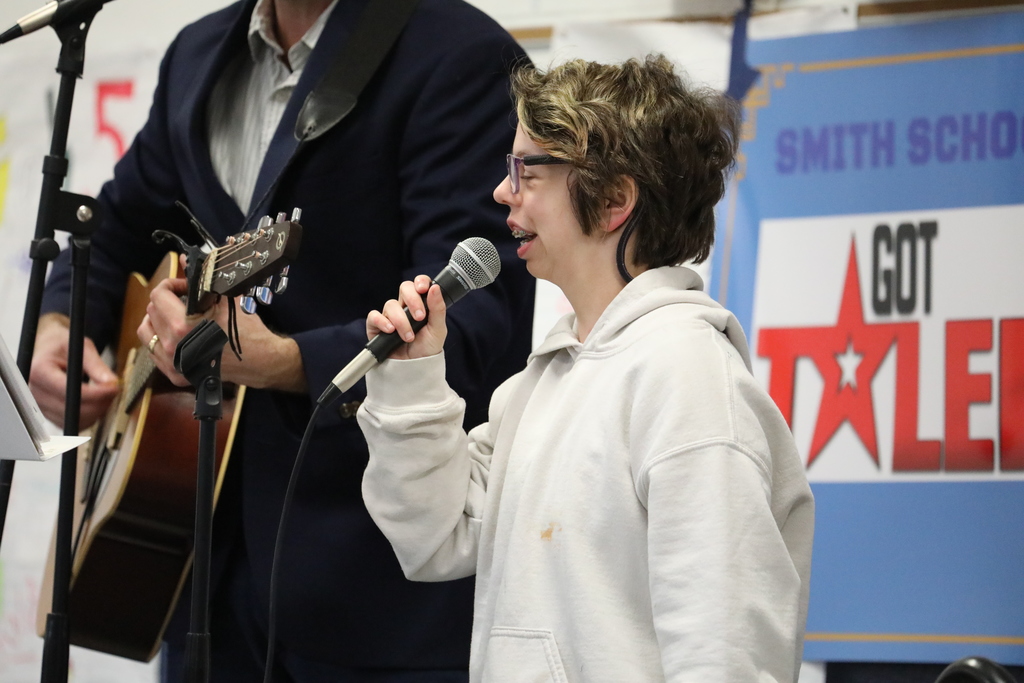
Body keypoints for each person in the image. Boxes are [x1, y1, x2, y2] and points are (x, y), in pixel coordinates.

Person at [29, 0, 535, 680]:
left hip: (372, 597)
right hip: (197, 566)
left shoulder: (461, 56)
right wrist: (61, 324)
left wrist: (288, 362)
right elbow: (116, 224)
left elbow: (471, 318)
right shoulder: (198, 55)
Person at [357, 54, 815, 681]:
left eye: (528, 170)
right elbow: (436, 538)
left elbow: (725, 651)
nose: (502, 191)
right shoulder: (540, 383)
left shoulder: (687, 374)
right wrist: (411, 378)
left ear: (613, 201)